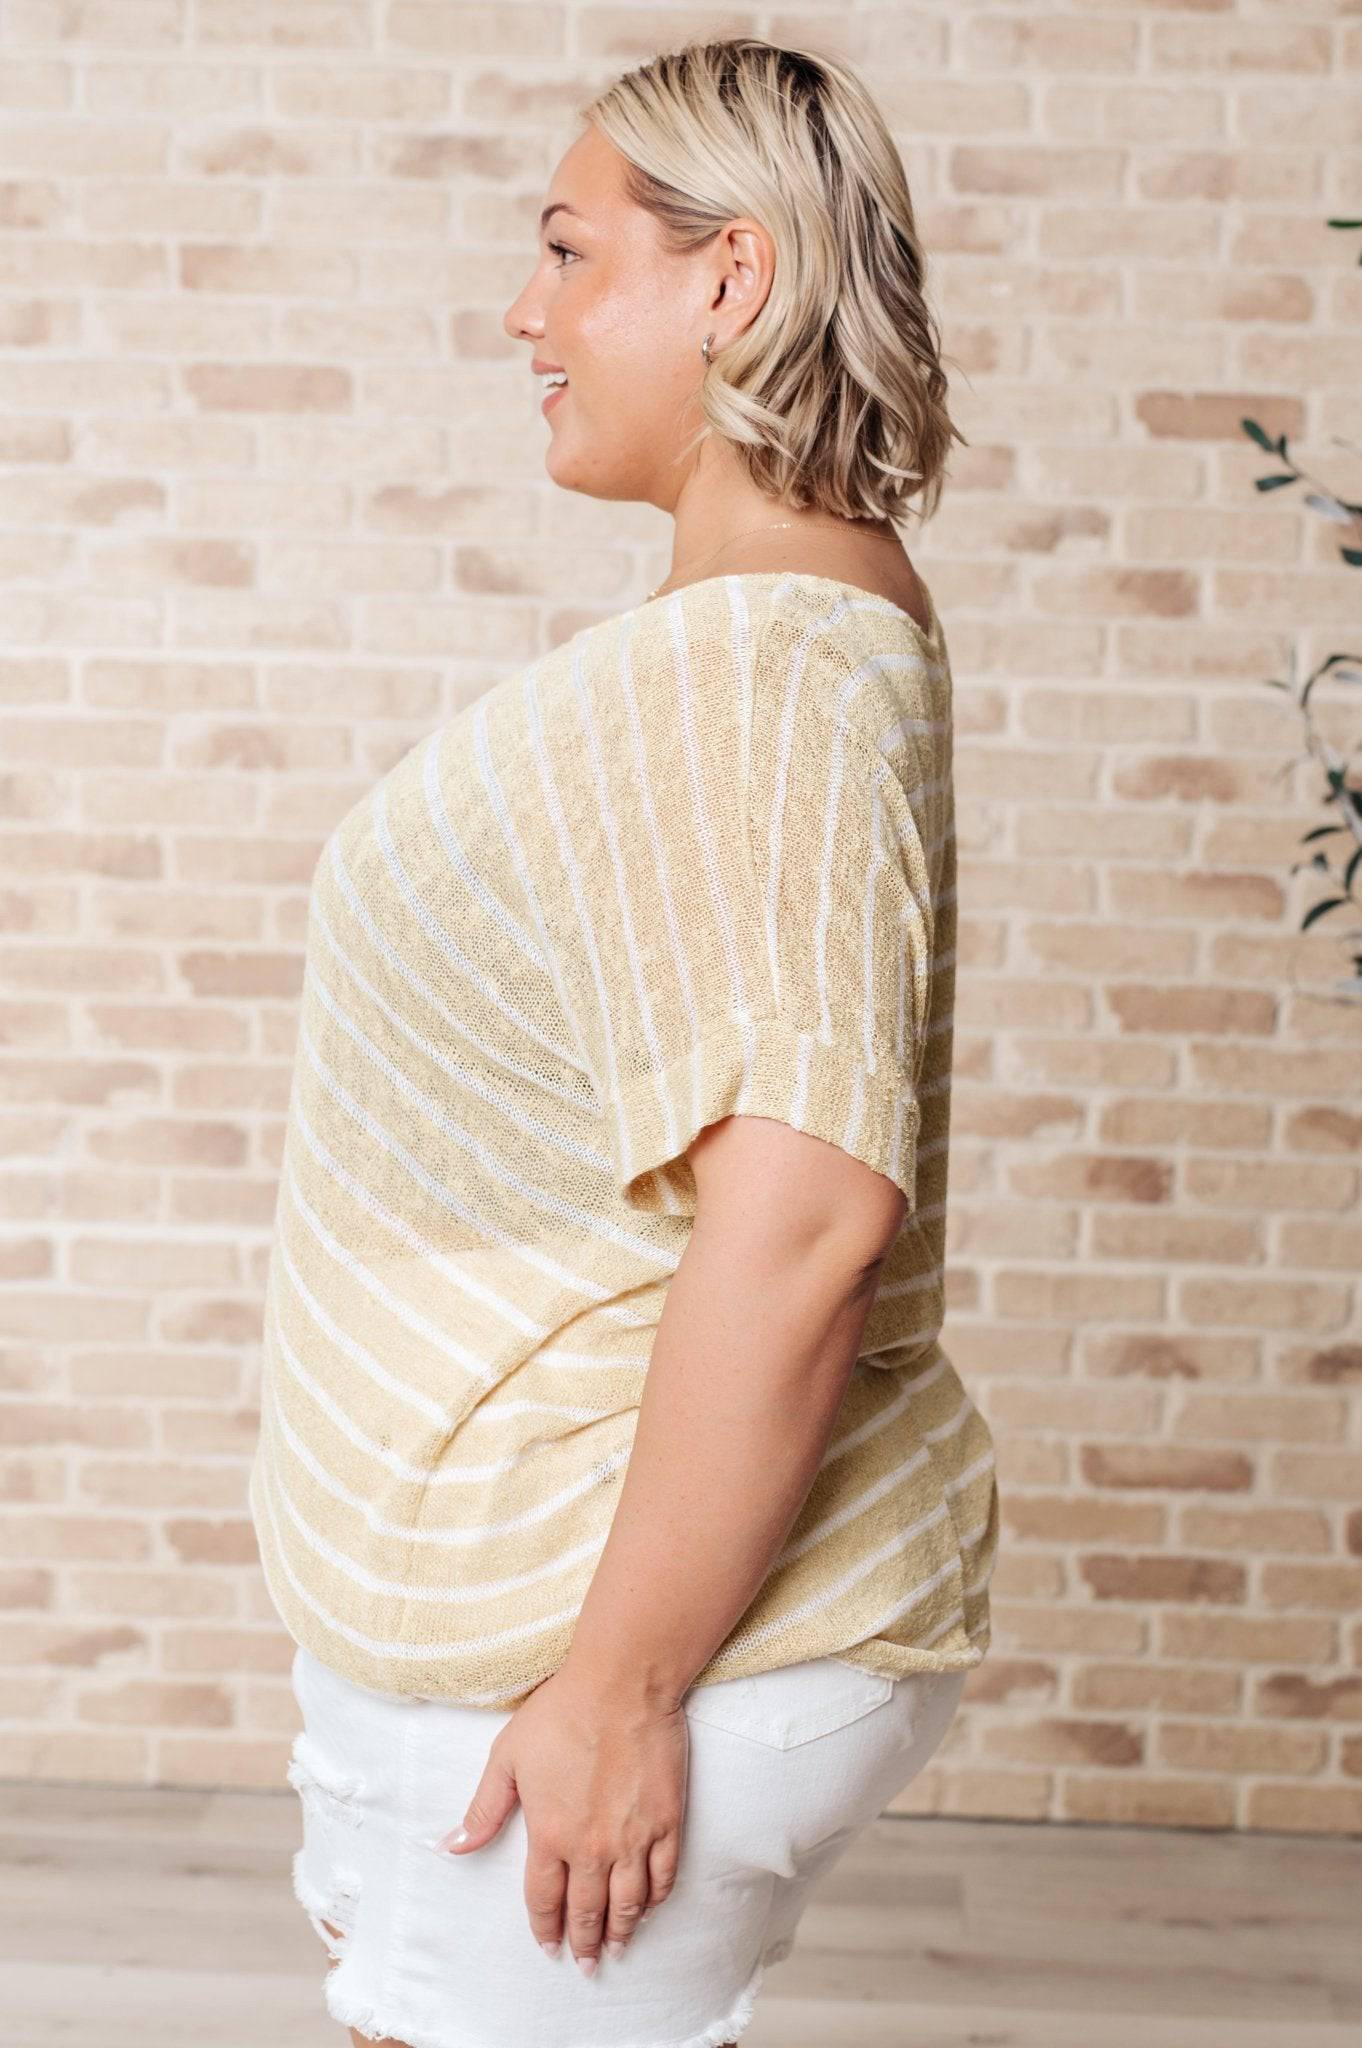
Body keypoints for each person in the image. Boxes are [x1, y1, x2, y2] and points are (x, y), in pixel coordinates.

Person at [254, 36, 1000, 2048]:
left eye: (572, 251)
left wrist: (618, 1688)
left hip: (582, 1642)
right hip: (521, 1619)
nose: (528, 310)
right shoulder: (773, 637)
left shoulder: (757, 674)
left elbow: (808, 1214)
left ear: (730, 276)